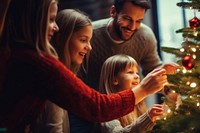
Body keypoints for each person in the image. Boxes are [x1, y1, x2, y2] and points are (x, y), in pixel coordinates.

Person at [0, 0, 168, 132]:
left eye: (138, 21)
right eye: (50, 20)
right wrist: (143, 89)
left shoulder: (19, 54)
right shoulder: (42, 66)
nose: (55, 27)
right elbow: (97, 107)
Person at [78, 0, 178, 91]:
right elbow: (76, 79)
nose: (132, 27)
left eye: (138, 21)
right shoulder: (89, 35)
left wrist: (171, 86)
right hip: (92, 106)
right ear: (113, 12)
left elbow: (151, 70)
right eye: (127, 18)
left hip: (132, 107)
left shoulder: (145, 36)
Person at [34, 9, 93, 133]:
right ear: (64, 39)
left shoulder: (66, 75)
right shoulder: (54, 80)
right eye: (83, 40)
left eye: (89, 41)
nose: (89, 47)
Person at [99, 54, 163, 133]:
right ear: (114, 79)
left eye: (137, 72)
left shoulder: (139, 105)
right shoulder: (107, 109)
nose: (137, 76)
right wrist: (147, 119)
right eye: (130, 72)